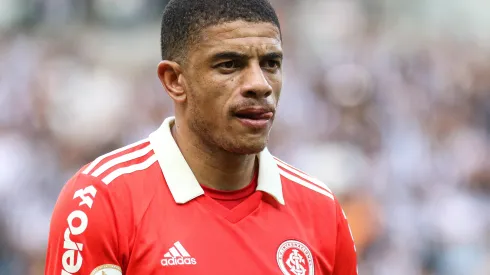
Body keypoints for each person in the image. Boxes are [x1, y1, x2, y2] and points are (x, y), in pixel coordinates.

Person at [45, 0, 357, 274]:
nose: (259, 84)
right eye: (229, 65)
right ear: (174, 80)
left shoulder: (321, 209)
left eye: (270, 64)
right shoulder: (101, 199)